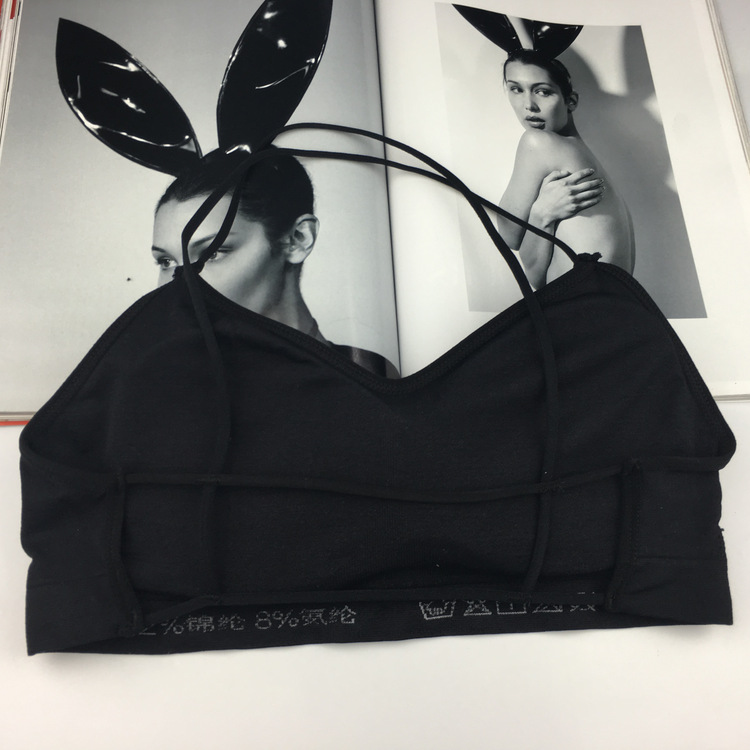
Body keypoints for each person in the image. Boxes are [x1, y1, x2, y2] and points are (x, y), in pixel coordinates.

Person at [151, 149, 394, 376]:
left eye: (211, 254)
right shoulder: (163, 386)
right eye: (166, 261)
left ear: (298, 239)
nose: (177, 287)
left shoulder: (370, 372)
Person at [496, 49, 634, 289]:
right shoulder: (589, 163)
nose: (529, 105)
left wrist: (540, 214)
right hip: (613, 305)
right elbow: (537, 276)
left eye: (542, 91)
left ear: (571, 101)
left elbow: (508, 235)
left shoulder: (538, 142)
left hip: (580, 307)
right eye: (516, 89)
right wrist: (542, 215)